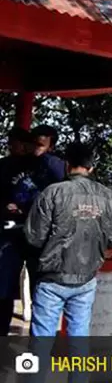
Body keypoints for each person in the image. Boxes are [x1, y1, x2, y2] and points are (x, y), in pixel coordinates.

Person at [24, 142, 112, 337]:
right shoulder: (108, 196)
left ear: (66, 164)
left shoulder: (52, 193)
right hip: (86, 277)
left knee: (42, 338)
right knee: (79, 337)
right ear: (91, 168)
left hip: (52, 277)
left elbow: (34, 237)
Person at [0, 128, 33, 335]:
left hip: (34, 232)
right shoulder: (2, 166)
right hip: (7, 233)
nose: (14, 146)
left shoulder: (41, 166)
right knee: (5, 288)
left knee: (41, 290)